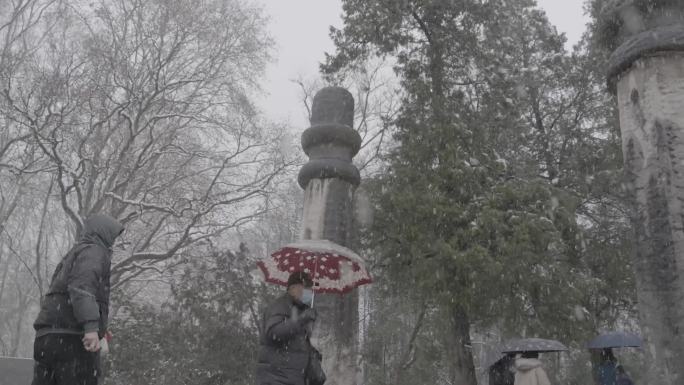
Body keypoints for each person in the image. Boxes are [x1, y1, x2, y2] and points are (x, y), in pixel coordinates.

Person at [32, 214, 124, 385]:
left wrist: (100, 326)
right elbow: (82, 288)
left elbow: (64, 295)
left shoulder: (74, 253)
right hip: (72, 340)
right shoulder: (94, 251)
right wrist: (90, 327)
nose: (114, 242)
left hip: (47, 338)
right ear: (104, 234)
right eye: (114, 237)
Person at [256, 271, 319, 385]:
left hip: (292, 378)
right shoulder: (279, 306)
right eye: (306, 288)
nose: (309, 293)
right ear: (293, 288)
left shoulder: (299, 309)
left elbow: (295, 344)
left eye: (310, 289)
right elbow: (273, 333)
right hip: (276, 378)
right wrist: (301, 320)